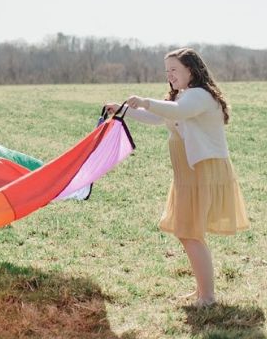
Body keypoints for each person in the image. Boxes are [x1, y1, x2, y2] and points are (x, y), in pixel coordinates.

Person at [107, 47, 249, 307]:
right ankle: (202, 292)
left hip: (201, 171)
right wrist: (123, 110)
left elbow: (176, 112)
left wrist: (146, 100)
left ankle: (207, 296)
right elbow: (159, 116)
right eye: (167, 71)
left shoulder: (198, 96)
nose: (169, 75)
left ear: (191, 70)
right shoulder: (184, 96)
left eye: (174, 69)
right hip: (188, 173)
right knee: (189, 232)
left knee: (190, 232)